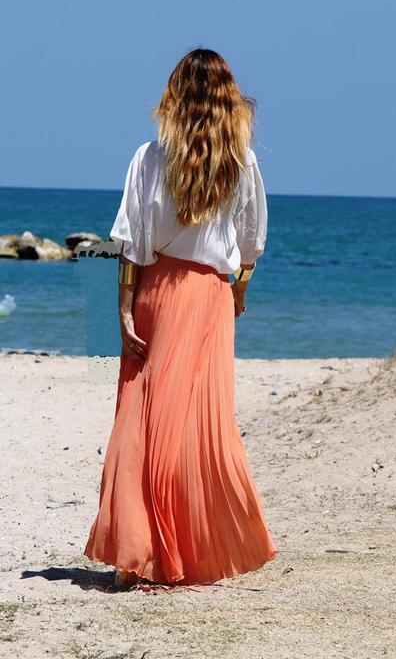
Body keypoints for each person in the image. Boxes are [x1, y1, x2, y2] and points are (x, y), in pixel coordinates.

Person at [83, 48, 278, 592]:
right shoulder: (242, 162)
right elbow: (250, 245)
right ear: (230, 101)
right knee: (197, 426)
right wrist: (237, 294)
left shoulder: (148, 157)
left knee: (139, 421)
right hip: (210, 298)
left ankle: (135, 553)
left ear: (173, 96)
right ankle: (188, 552)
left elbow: (131, 242)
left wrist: (123, 307)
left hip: (156, 292)